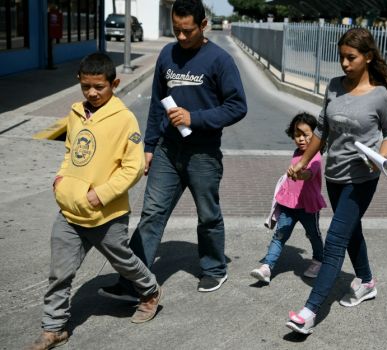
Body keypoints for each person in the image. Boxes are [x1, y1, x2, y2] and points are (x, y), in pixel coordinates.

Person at [99, 0, 247, 300]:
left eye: (187, 31)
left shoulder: (220, 60)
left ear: (203, 25)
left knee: (208, 215)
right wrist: (149, 146)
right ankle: (133, 282)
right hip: (167, 149)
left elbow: (237, 106)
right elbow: (156, 103)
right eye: (177, 30)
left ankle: (214, 268)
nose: (181, 37)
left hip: (203, 153)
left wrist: (196, 118)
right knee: (151, 213)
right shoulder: (167, 54)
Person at [25, 52, 161, 350]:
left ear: (115, 83)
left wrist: (101, 193)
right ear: (79, 82)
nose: (92, 92)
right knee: (60, 272)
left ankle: (149, 291)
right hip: (70, 209)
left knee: (123, 260)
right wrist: (61, 180)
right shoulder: (75, 113)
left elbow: (133, 166)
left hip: (106, 213)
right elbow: (71, 152)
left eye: (99, 86)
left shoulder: (124, 119)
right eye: (86, 86)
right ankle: (54, 327)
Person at [284, 28, 387, 335]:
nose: (345, 64)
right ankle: (367, 281)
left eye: (352, 58)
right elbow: (322, 129)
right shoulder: (334, 86)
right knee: (351, 230)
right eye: (342, 57)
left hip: (362, 178)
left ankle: (309, 312)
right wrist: (304, 161)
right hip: (334, 175)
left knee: (335, 241)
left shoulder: (380, 94)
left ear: (368, 57)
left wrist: (380, 157)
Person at [250, 112, 326, 284]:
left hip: (308, 206)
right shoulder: (296, 152)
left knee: (313, 235)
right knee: (280, 235)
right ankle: (267, 267)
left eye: (306, 135)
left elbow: (309, 174)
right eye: (297, 135)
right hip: (289, 205)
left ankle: (319, 261)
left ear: (315, 136)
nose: (301, 139)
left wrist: (300, 175)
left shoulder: (315, 155)